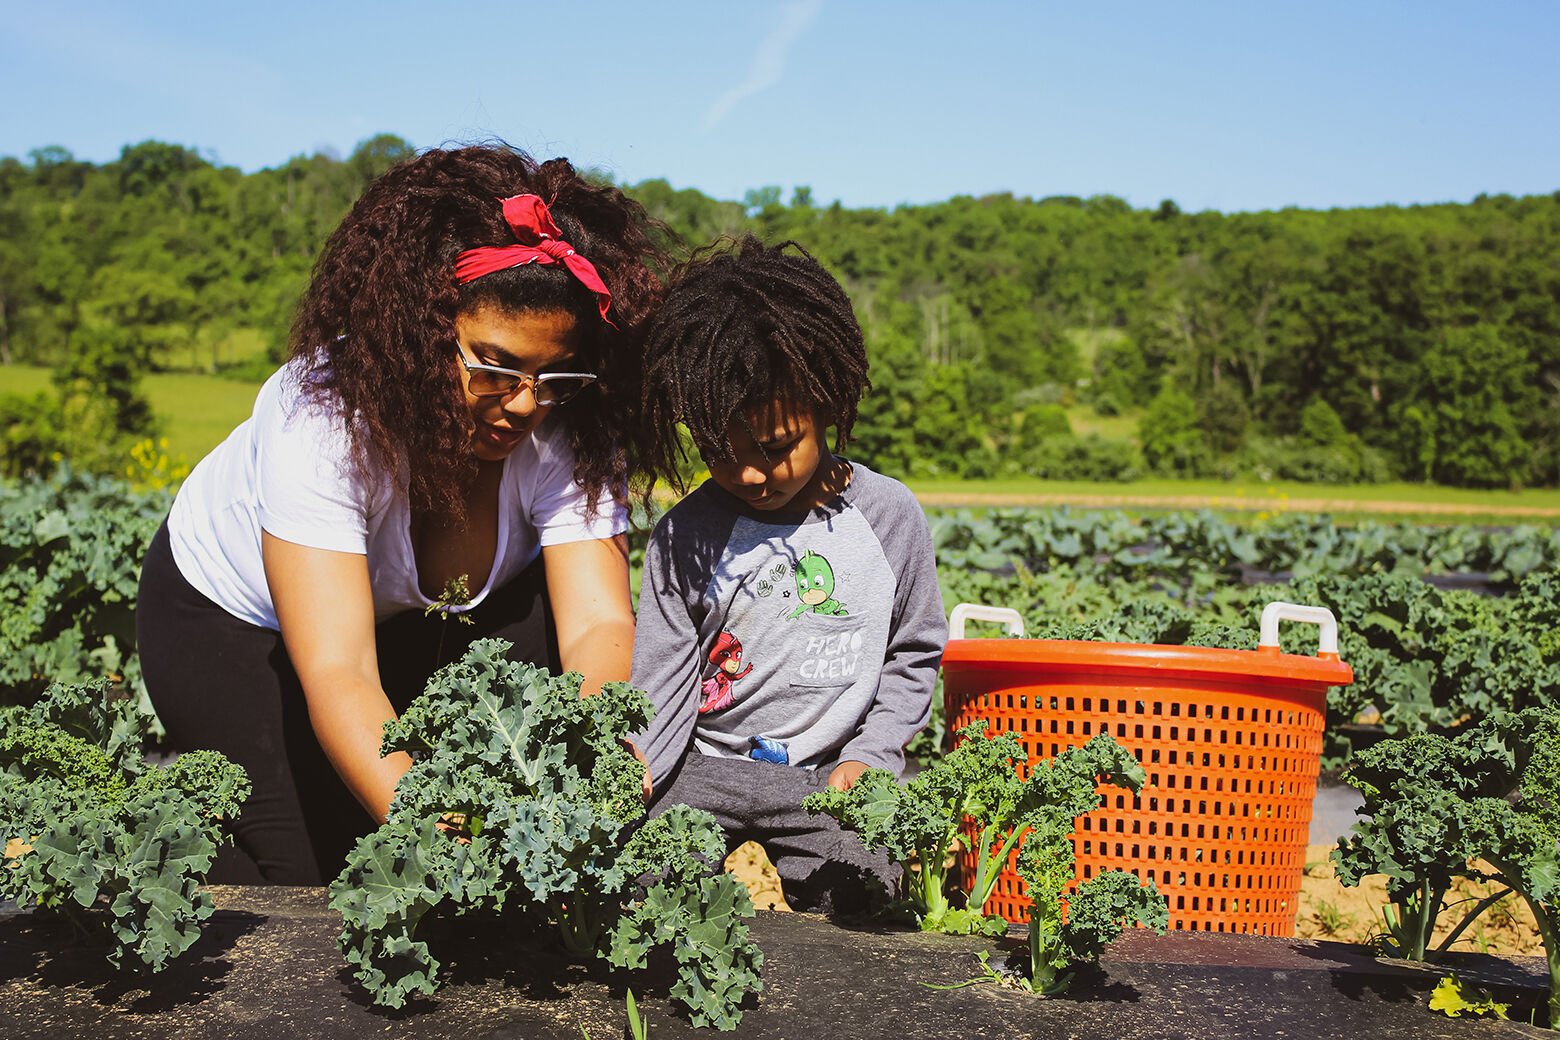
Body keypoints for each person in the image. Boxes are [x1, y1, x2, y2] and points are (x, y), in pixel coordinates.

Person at [135, 146, 668, 885]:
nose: (525, 404)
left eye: (552, 376)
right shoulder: (322, 419)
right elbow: (340, 669)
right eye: (494, 368)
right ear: (422, 334)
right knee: (319, 877)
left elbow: (597, 624)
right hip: (231, 623)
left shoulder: (574, 421)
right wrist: (438, 840)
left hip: (412, 619)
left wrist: (599, 746)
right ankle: (128, 846)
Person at [631, 236, 947, 913]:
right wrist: (637, 770)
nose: (749, 473)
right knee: (645, 889)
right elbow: (659, 680)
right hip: (699, 772)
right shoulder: (684, 535)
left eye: (775, 448)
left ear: (826, 405)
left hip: (827, 778)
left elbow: (914, 651)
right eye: (719, 450)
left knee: (870, 890)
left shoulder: (888, 517)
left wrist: (874, 754)